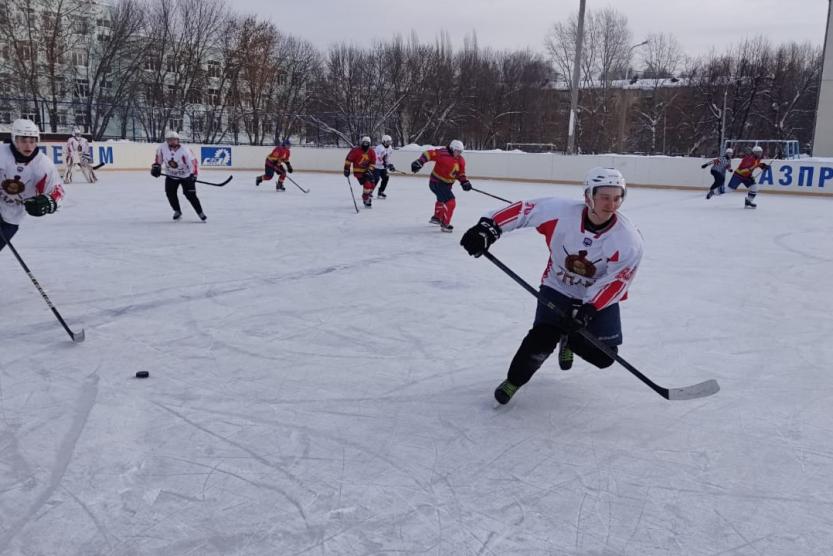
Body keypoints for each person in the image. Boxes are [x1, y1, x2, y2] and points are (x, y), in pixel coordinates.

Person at [460, 167, 643, 405]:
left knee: (604, 357)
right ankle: (514, 381)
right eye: (605, 197)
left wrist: (590, 309)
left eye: (618, 197)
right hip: (558, 286)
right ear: (589, 196)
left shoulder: (628, 240)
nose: (612, 204)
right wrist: (488, 228)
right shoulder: (561, 212)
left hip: (597, 296)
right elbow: (524, 211)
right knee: (542, 338)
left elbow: (619, 280)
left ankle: (570, 339)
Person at [0, 119, 65, 251]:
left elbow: (58, 191)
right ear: (14, 139)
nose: (28, 146)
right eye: (23, 140)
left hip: (10, 218)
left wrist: (49, 202)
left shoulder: (43, 166)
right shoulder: (1, 153)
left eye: (33, 141)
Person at [410, 140, 471, 232]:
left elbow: (460, 173)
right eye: (457, 151)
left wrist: (464, 182)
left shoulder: (461, 160)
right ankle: (445, 224)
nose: (458, 154)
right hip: (436, 182)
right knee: (450, 201)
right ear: (451, 149)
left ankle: (436, 218)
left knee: (442, 199)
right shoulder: (442, 153)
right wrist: (420, 162)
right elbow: (428, 154)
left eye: (460, 152)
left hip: (447, 185)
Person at [150, 131, 206, 221]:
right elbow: (158, 160)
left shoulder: (185, 150)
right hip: (170, 175)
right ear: (166, 141)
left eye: (174, 140)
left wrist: (193, 175)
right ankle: (177, 211)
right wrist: (156, 166)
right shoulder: (162, 148)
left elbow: (193, 163)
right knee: (170, 194)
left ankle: (200, 212)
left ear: (178, 140)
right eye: (170, 140)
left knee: (190, 195)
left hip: (186, 175)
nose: (172, 142)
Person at [343, 136, 376, 208]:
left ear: (369, 144)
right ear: (362, 143)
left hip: (367, 171)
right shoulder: (355, 150)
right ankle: (366, 199)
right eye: (364, 142)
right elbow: (348, 159)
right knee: (367, 184)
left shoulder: (371, 151)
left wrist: (370, 170)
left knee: (373, 184)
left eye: (367, 143)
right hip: (359, 172)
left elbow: (373, 162)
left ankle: (366, 195)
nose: (365, 144)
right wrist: (346, 169)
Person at [373, 134, 396, 199]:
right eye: (387, 142)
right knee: (376, 179)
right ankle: (369, 192)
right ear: (383, 142)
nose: (389, 143)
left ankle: (380, 192)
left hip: (383, 167)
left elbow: (387, 158)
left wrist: (390, 164)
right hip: (376, 167)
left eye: (389, 142)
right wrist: (385, 163)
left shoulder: (390, 148)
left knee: (386, 178)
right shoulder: (379, 148)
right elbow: (377, 159)